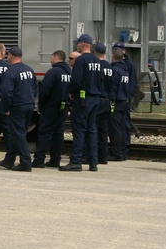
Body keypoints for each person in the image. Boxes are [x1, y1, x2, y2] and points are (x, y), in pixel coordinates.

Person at [62, 33, 105, 171]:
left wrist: (71, 93)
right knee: (91, 129)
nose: (77, 45)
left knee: (79, 129)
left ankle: (76, 161)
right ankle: (93, 162)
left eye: (78, 43)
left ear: (84, 44)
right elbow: (101, 80)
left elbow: (75, 80)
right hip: (95, 98)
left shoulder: (81, 60)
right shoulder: (97, 61)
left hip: (83, 99)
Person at [0, 47, 38, 171]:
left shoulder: (10, 71)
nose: (6, 57)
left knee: (18, 134)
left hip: (17, 106)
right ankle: (9, 160)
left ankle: (25, 162)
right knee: (19, 133)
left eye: (8, 55)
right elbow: (35, 88)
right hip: (29, 105)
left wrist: (6, 107)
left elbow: (6, 92)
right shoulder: (29, 70)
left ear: (11, 56)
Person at [33, 50, 71, 168]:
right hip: (64, 107)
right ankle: (55, 159)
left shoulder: (53, 72)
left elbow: (45, 90)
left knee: (44, 133)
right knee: (58, 134)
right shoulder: (69, 73)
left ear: (55, 57)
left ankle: (39, 159)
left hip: (51, 107)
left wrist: (41, 105)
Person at [107, 46, 132, 161]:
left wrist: (111, 99)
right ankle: (122, 151)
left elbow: (113, 86)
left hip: (116, 101)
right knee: (122, 128)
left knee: (115, 128)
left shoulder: (115, 70)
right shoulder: (125, 70)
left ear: (113, 56)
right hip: (124, 101)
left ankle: (116, 153)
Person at [93, 42, 114, 165]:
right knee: (103, 130)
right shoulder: (110, 67)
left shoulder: (96, 66)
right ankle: (103, 156)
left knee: (93, 128)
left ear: (95, 52)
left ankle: (93, 154)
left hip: (98, 100)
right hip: (107, 100)